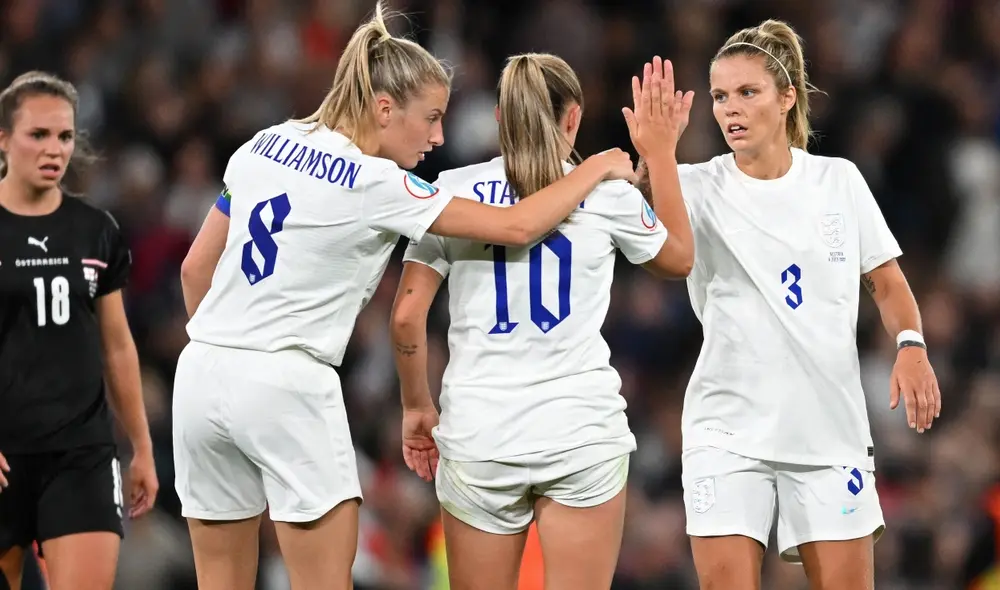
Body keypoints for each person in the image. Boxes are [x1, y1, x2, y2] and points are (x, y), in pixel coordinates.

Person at [172, 4, 637, 590]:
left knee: (218, 580)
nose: (440, 137)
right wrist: (591, 168)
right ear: (385, 109)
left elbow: (195, 270)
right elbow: (518, 225)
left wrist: (228, 361)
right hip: (286, 381)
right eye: (432, 118)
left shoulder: (263, 143)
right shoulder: (378, 183)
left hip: (200, 373)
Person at [633, 20, 942, 590]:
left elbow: (889, 282)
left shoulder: (838, 181)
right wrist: (654, 155)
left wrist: (911, 345)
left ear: (787, 97)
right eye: (721, 96)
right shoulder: (693, 185)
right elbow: (660, 254)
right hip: (726, 431)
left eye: (748, 93)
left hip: (828, 432)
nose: (732, 109)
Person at [390, 54, 693, 590]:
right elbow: (679, 259)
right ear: (573, 118)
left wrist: (417, 405)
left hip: (480, 434)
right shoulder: (607, 193)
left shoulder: (450, 192)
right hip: (579, 432)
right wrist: (661, 155)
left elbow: (408, 317)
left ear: (502, 118)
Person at [0, 71, 158, 590]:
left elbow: (116, 346)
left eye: (65, 136)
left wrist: (141, 445)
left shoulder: (95, 229)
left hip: (82, 455)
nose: (55, 149)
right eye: (38, 135)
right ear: (3, 139)